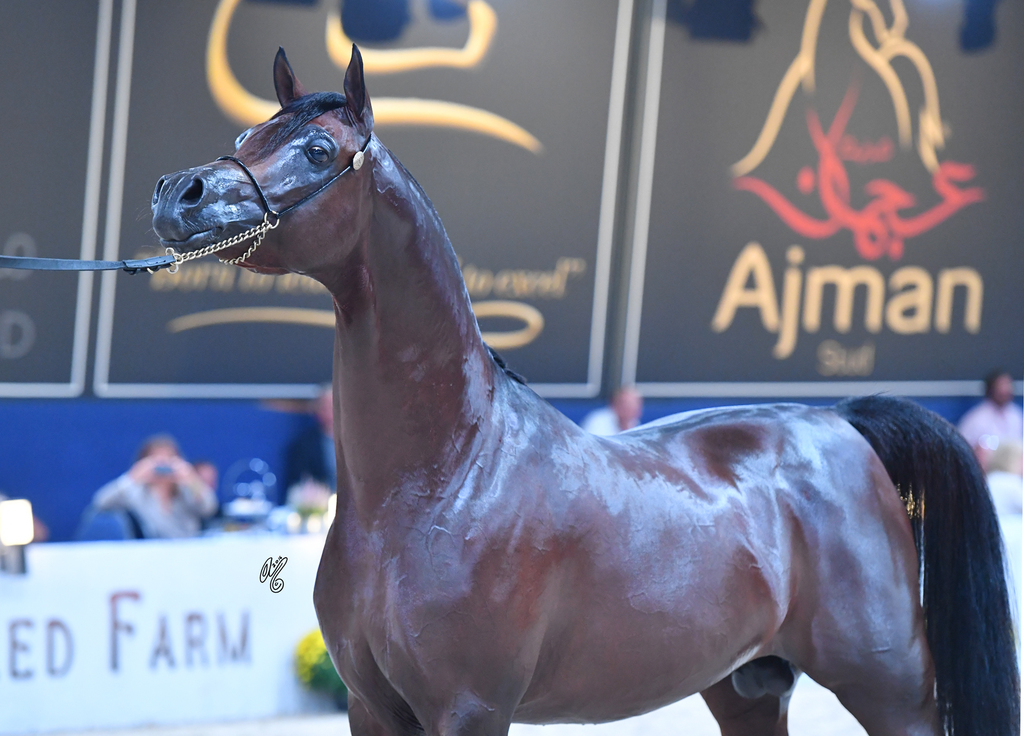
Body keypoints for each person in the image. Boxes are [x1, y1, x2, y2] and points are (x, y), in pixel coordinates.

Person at [91, 434, 217, 539]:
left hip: (188, 553)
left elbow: (209, 507)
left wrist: (191, 479)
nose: (162, 463)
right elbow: (100, 501)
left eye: (168, 458)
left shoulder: (186, 490)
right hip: (151, 554)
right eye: (155, 458)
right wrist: (131, 478)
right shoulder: (136, 492)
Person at [958, 370, 1024, 468]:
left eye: (1008, 385)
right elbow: (961, 450)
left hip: (1014, 473)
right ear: (991, 389)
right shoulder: (976, 418)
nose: (1005, 390)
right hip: (988, 472)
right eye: (1001, 386)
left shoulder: (1017, 415)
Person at [283, 385, 337, 492]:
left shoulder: (359, 443)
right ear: (317, 410)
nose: (330, 412)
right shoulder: (303, 445)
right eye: (325, 407)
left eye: (334, 407)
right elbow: (299, 482)